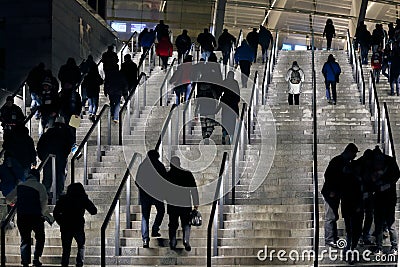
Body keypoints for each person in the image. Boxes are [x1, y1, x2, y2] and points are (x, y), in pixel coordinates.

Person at [6, 169, 54, 267]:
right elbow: (44, 202)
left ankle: (25, 261)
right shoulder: (40, 186)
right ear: (37, 177)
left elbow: (8, 199)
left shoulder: (20, 186)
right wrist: (44, 213)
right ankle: (36, 258)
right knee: (40, 237)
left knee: (25, 239)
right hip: (36, 216)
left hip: (22, 216)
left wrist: (13, 203)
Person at [321, 143, 359, 248]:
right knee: (331, 216)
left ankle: (333, 237)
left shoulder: (345, 161)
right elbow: (328, 175)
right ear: (349, 152)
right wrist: (332, 190)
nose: (355, 156)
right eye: (354, 153)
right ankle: (329, 239)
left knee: (334, 215)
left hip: (336, 192)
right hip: (331, 193)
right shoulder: (337, 161)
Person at [53, 183, 97, 267]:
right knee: (81, 245)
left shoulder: (63, 199)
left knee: (66, 248)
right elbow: (94, 211)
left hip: (65, 225)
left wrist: (60, 221)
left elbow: (55, 212)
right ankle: (79, 263)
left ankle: (64, 263)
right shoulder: (82, 198)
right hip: (78, 225)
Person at [165, 156, 199, 251]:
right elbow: (193, 189)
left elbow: (163, 190)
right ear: (179, 164)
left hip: (172, 204)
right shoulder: (187, 174)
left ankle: (173, 242)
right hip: (185, 203)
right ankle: (186, 241)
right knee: (186, 223)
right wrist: (196, 202)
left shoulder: (168, 175)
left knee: (172, 224)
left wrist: (165, 199)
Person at [37, 116, 74, 200]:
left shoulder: (48, 132)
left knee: (47, 177)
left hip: (48, 157)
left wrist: (42, 157)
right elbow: (70, 143)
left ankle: (44, 195)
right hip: (60, 156)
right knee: (60, 175)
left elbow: (40, 145)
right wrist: (65, 154)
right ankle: (58, 194)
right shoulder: (66, 132)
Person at [135, 150, 167, 248]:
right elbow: (165, 181)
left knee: (145, 216)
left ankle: (145, 239)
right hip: (158, 194)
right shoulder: (160, 166)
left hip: (145, 195)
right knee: (161, 211)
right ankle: (155, 229)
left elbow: (137, 182)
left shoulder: (142, 166)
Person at [371, 146, 399, 255]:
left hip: (384, 197)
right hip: (384, 197)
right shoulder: (389, 162)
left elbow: (396, 175)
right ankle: (391, 247)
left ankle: (384, 247)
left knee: (384, 223)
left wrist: (385, 183)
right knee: (385, 224)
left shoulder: (388, 163)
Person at [218, 71, 240, 145]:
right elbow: (238, 93)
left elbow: (220, 91)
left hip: (225, 103)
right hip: (233, 105)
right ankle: (231, 137)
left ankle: (224, 134)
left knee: (224, 121)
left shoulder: (224, 82)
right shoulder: (235, 83)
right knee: (232, 122)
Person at [81, 56, 103, 122]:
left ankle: (90, 113)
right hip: (95, 90)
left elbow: (84, 84)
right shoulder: (96, 75)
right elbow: (101, 81)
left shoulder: (87, 76)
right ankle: (93, 114)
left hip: (89, 90)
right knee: (95, 103)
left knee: (90, 103)